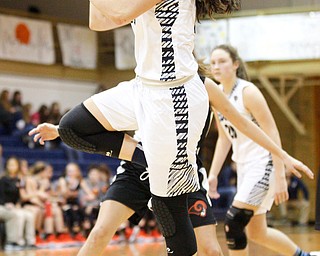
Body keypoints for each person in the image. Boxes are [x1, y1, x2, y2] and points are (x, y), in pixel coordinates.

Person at [29, 1, 243, 255]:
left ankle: (155, 166)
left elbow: (119, 14)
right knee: (72, 127)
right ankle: (144, 158)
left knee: (168, 210)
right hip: (143, 87)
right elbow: (97, 22)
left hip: (173, 96)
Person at [29, 67, 314, 256]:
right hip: (139, 167)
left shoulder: (204, 86)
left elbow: (242, 123)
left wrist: (282, 154)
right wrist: (60, 129)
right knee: (100, 231)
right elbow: (104, 116)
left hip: (183, 172)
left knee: (210, 250)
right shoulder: (147, 81)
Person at [208, 44, 317, 256]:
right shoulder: (217, 95)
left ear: (236, 64)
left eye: (222, 61)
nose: (216, 67)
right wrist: (213, 174)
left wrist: (280, 175)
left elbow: (273, 133)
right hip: (244, 166)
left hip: (263, 163)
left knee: (234, 221)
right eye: (213, 63)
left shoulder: (248, 92)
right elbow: (224, 138)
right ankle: (304, 255)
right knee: (258, 233)